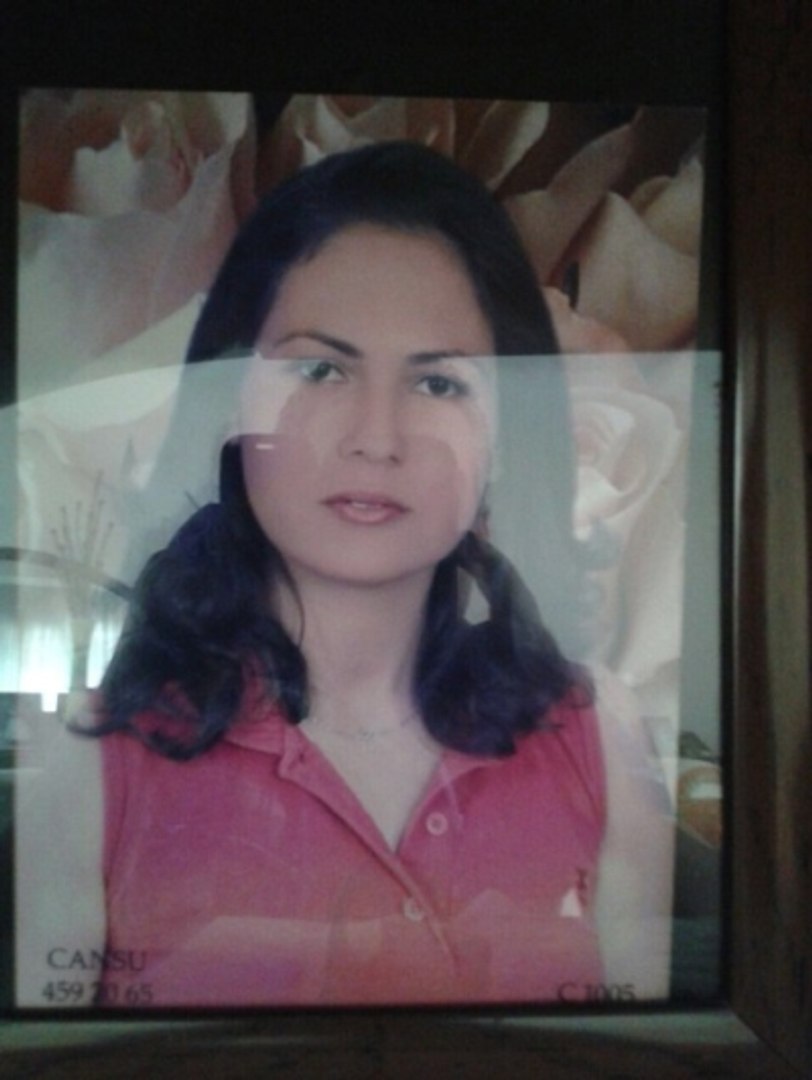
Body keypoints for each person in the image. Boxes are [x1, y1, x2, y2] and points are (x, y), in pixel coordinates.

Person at [15, 142, 674, 1009]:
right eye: (321, 370)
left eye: (438, 384)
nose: (376, 438)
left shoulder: (600, 744)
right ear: (232, 403)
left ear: (505, 431)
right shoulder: (95, 769)